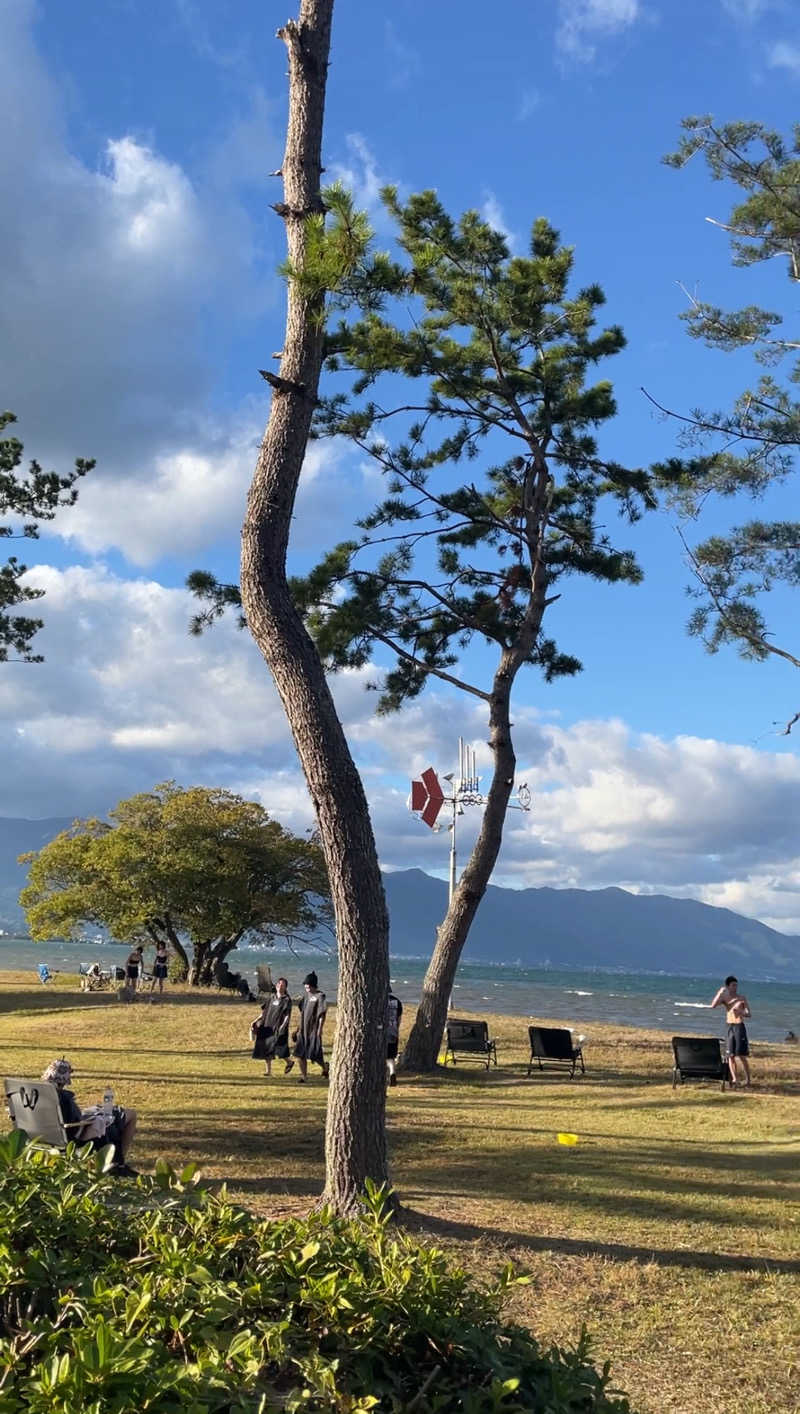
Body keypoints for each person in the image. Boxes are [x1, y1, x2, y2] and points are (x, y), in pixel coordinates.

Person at [41, 1058, 138, 1176]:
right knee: (119, 1119)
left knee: (102, 1115)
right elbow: (74, 1124)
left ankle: (117, 1163)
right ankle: (118, 1164)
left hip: (45, 1133)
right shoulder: (64, 1099)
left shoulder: (36, 1095)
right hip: (74, 1134)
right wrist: (95, 1119)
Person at [710, 975, 752, 1087]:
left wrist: (741, 1013)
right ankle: (735, 1079)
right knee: (730, 1055)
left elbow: (749, 1014)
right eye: (733, 985)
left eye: (736, 985)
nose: (735, 987)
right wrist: (719, 993)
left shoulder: (742, 998)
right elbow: (713, 1006)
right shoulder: (725, 998)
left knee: (741, 1055)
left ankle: (748, 1080)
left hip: (739, 1026)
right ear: (728, 986)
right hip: (729, 1026)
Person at [287, 972, 328, 1082]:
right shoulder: (305, 997)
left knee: (315, 1054)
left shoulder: (320, 996)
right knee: (300, 1054)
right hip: (303, 1030)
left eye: (309, 985)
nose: (307, 987)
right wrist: (297, 1029)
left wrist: (320, 1029)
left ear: (314, 985)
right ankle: (304, 1077)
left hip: (313, 1030)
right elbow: (302, 1014)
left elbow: (322, 1014)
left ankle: (325, 1067)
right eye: (305, 985)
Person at [250, 977, 292, 1076]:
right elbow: (265, 1011)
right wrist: (256, 1020)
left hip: (277, 1027)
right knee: (266, 1047)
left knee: (278, 1048)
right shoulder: (272, 997)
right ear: (276, 986)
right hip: (266, 1025)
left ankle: (289, 1062)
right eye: (279, 984)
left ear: (286, 987)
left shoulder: (286, 1000)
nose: (280, 986)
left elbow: (287, 1015)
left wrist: (283, 1026)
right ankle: (268, 1071)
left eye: (282, 985)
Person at [386, 988, 403, 1087]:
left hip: (380, 1032)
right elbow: (399, 1019)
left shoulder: (377, 1000)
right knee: (390, 1056)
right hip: (393, 1032)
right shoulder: (397, 1002)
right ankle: (392, 1073)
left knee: (380, 1055)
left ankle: (383, 1077)